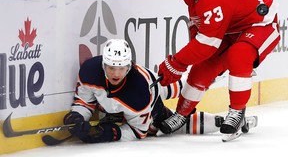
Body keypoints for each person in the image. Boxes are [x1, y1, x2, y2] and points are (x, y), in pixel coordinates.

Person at [156, 0, 280, 142]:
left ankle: (237, 112)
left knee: (239, 56)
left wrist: (176, 63)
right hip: (228, 28)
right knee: (201, 68)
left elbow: (207, 45)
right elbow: (197, 17)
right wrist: (191, 51)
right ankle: (182, 114)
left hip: (260, 24)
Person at [63, 39, 240, 143]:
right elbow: (84, 101)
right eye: (111, 68)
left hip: (151, 94)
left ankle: (223, 114)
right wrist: (77, 115)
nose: (116, 74)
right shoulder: (89, 71)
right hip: (147, 85)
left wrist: (106, 133)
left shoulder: (138, 94)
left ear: (129, 66)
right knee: (182, 88)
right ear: (103, 64)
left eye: (121, 68)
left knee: (171, 119)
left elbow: (139, 132)